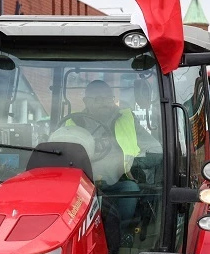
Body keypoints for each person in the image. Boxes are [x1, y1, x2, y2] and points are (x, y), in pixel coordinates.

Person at [66, 80, 161, 235]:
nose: (104, 102)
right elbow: (57, 152)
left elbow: (157, 150)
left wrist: (135, 164)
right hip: (81, 185)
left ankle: (118, 237)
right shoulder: (73, 123)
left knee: (131, 190)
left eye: (108, 98)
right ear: (86, 101)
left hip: (119, 183)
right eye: (98, 99)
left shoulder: (127, 119)